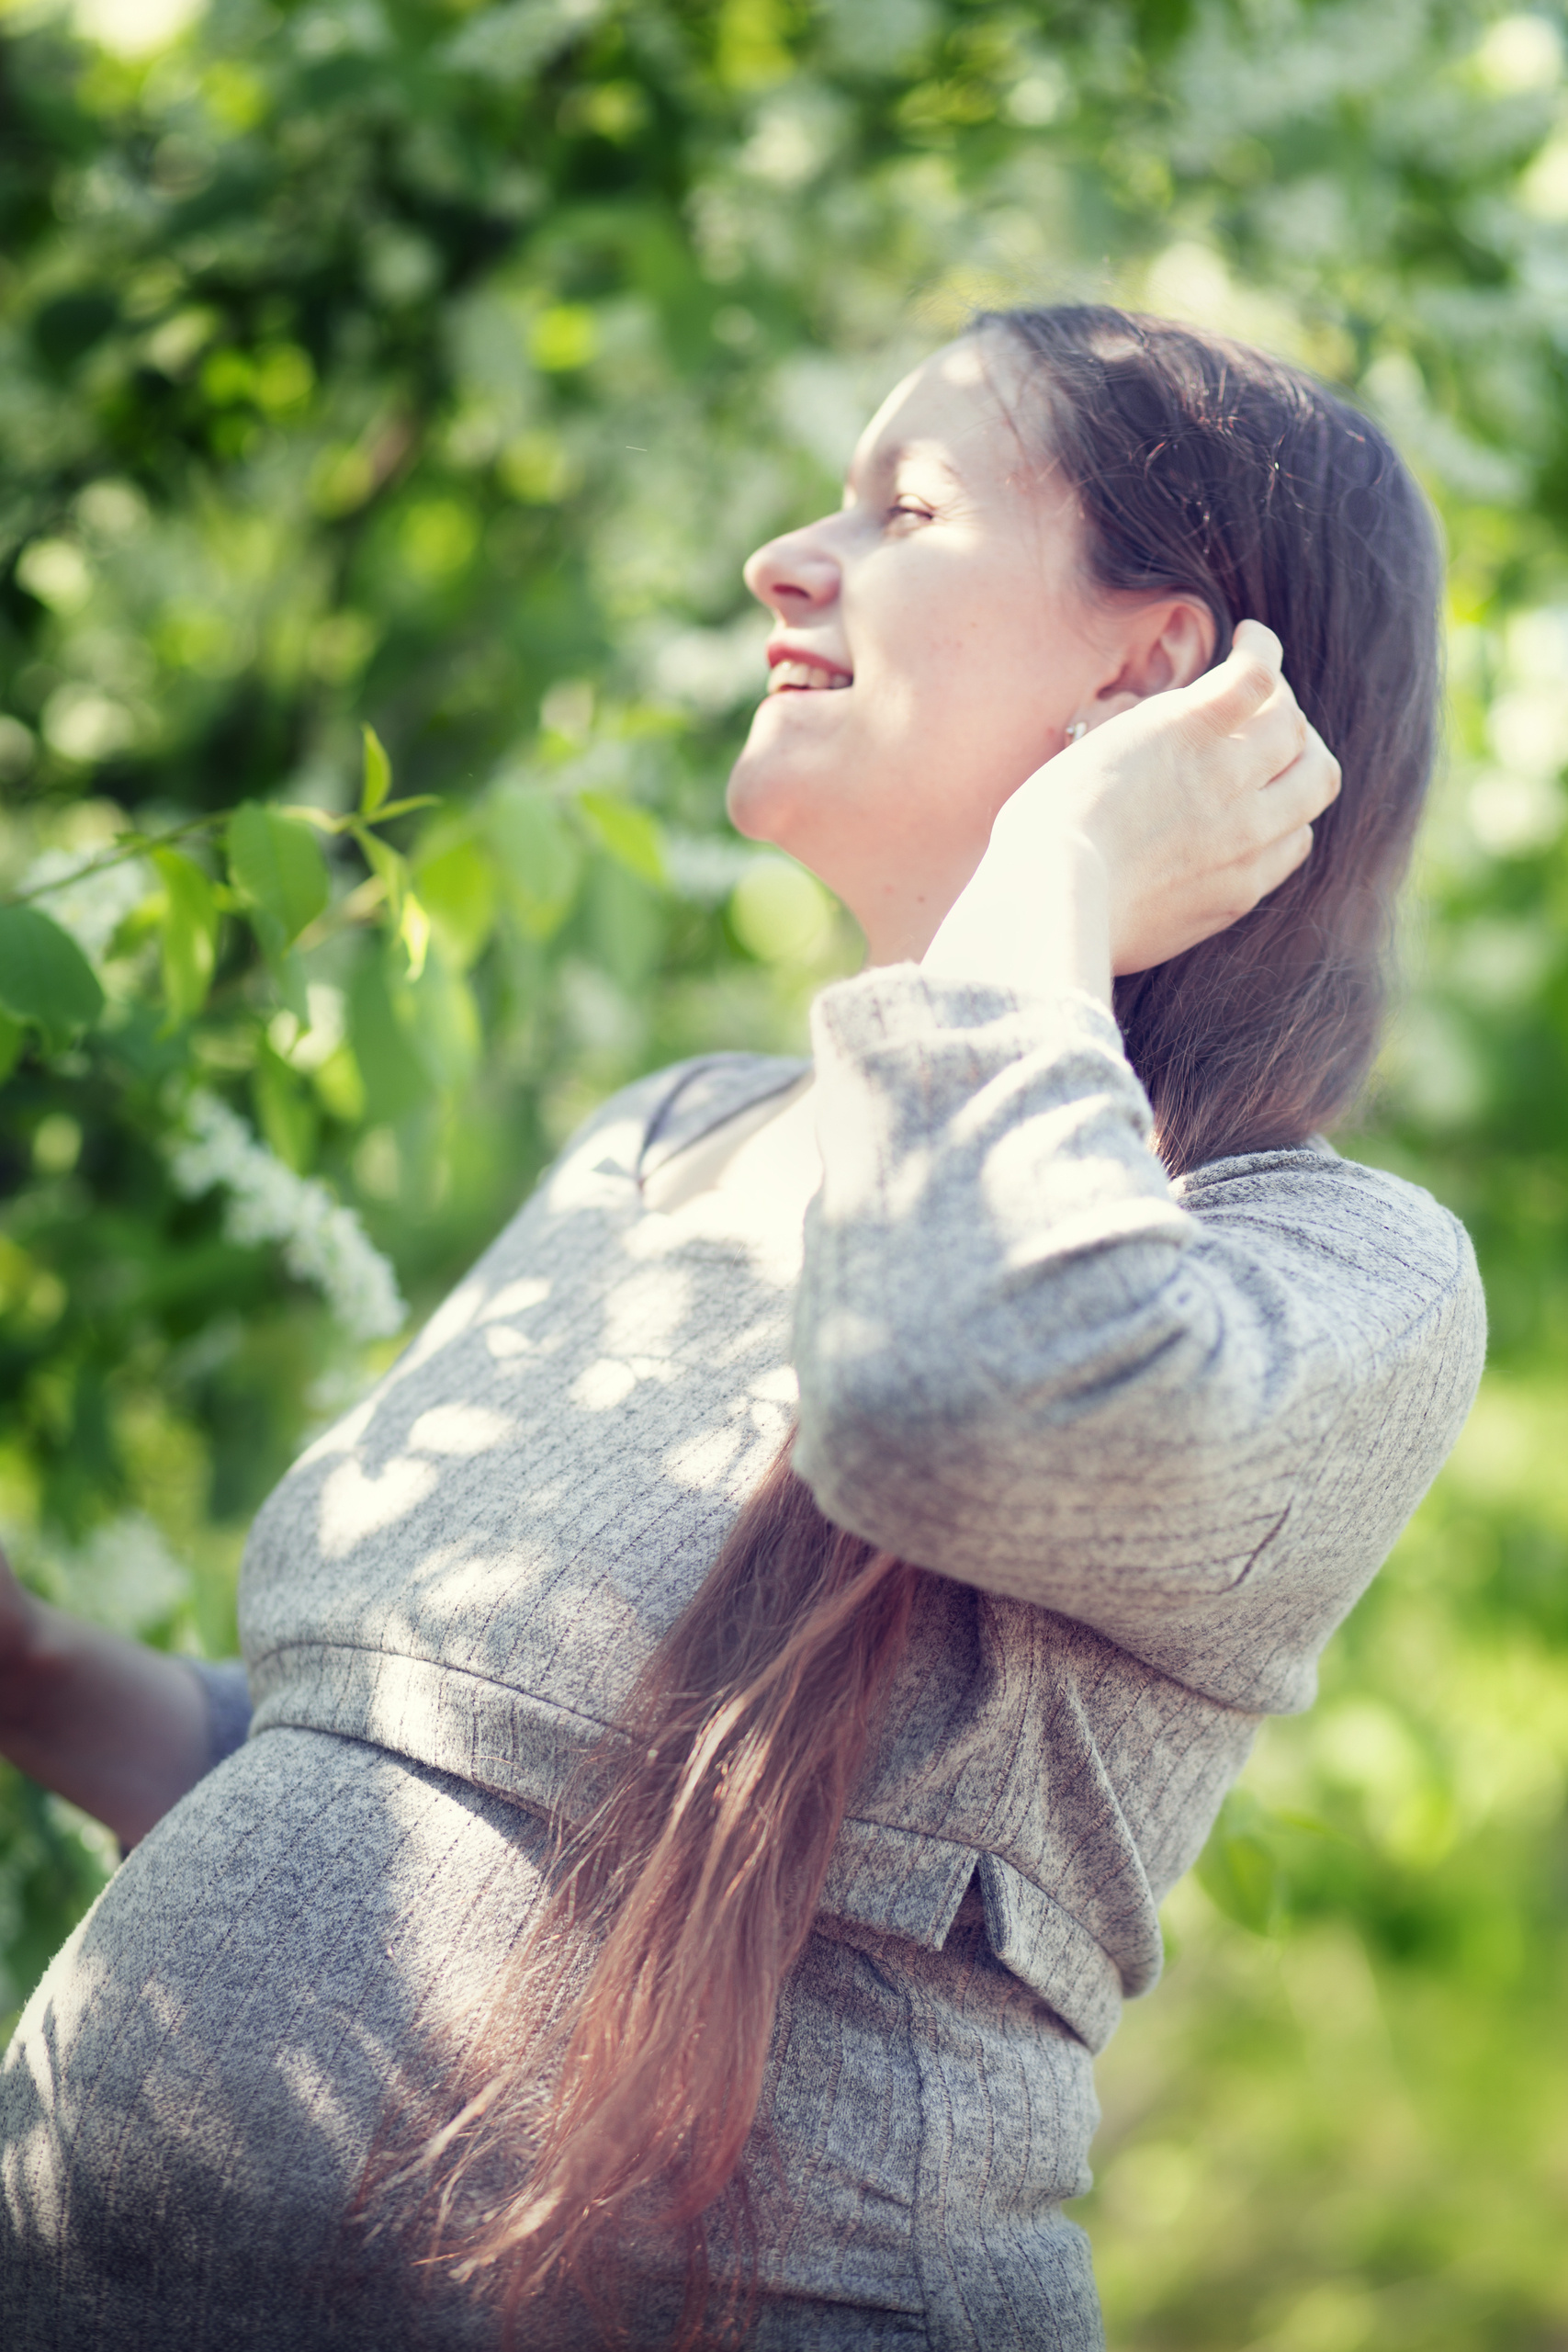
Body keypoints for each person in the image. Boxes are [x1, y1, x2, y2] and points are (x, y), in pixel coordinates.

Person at [0, 306, 1484, 2352]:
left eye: (907, 506)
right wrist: (41, 1666)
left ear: (1150, 668)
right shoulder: (662, 1140)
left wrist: (1050, 880)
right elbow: (397, 1792)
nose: (787, 557)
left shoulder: (1328, 1269)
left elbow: (938, 1391)